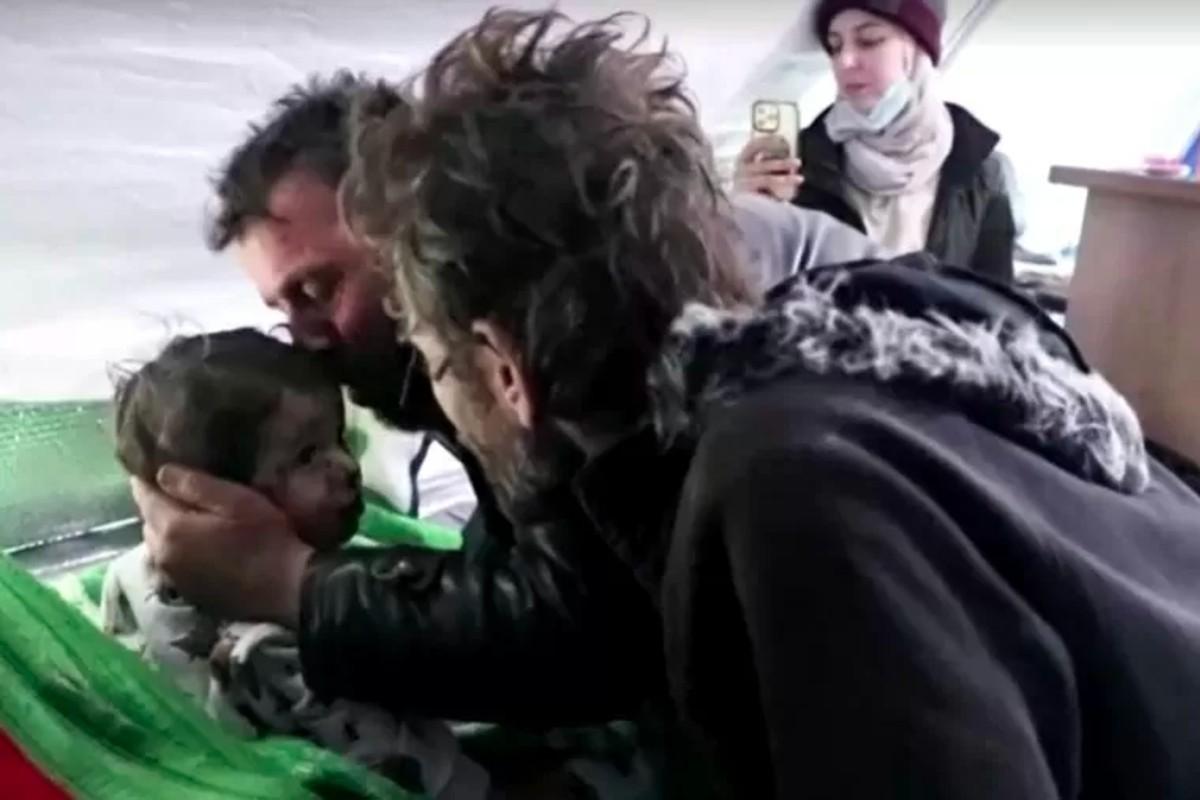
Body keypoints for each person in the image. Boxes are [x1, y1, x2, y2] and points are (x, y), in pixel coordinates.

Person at [324, 9, 1200, 799]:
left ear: (504, 369)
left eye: (431, 357)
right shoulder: (843, 359)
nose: (434, 387)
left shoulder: (789, 488)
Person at [130, 67, 877, 730]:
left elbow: (608, 628)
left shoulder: (590, 311)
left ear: (408, 225)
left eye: (319, 289)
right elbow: (532, 548)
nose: (305, 339)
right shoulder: (454, 348)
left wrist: (291, 583)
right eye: (281, 309)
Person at [105, 329, 490, 798]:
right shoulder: (280, 648)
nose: (347, 466)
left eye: (338, 439)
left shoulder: (124, 577)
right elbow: (409, 772)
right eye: (307, 456)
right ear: (213, 499)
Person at [734, 0, 1016, 283]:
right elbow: (756, 293)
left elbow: (999, 302)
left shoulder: (983, 172)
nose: (845, 61)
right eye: (835, 47)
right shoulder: (799, 162)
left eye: (869, 41)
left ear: (918, 50)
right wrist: (743, 219)